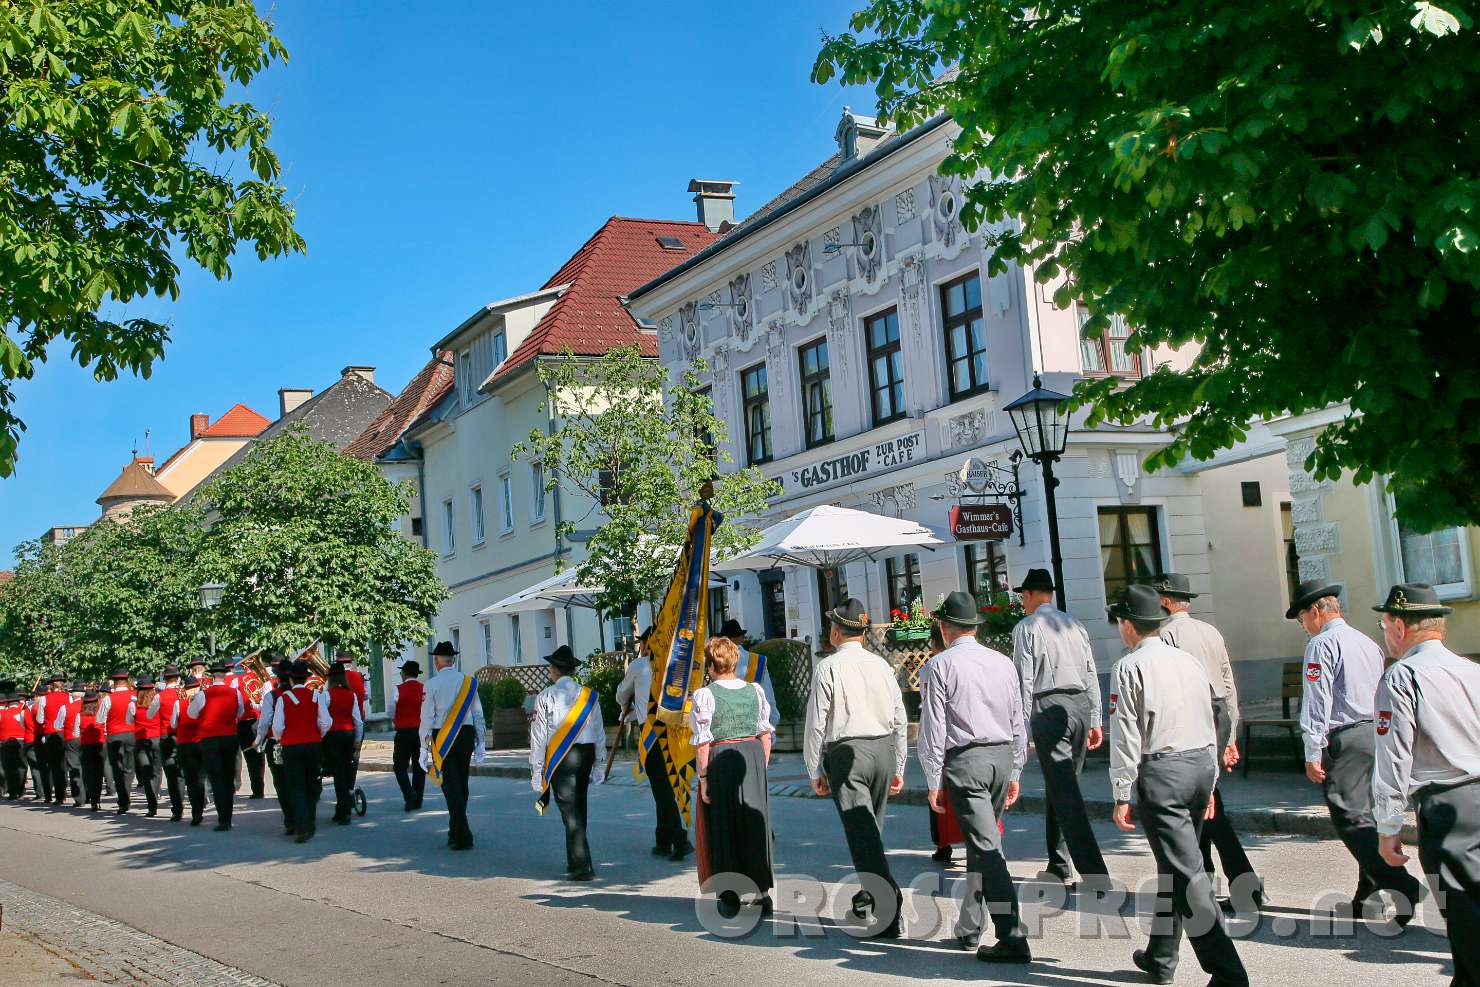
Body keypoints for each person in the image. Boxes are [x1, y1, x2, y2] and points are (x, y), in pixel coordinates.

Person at [1108, 585, 1248, 987]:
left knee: (1187, 872)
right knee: (1176, 864)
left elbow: (1126, 734)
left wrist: (1121, 790)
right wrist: (1212, 779)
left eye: (1120, 622)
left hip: (1163, 770)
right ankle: (1161, 956)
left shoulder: (1129, 666)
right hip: (1199, 765)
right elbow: (1212, 716)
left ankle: (1228, 972)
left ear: (1129, 625)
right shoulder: (1187, 661)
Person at [1287, 578, 1426, 919]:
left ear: (1317, 611)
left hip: (1346, 737)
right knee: (1368, 815)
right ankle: (1367, 893)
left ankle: (1400, 884)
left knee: (1349, 816)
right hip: (1374, 734)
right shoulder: (1367, 642)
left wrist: (1312, 749)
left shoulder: (1321, 645)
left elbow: (1318, 701)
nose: (1302, 626)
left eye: (1302, 618)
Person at [1372, 582, 1480, 983]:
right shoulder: (1472, 670)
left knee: (1466, 917)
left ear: (1399, 626)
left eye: (1383, 624)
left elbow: (1393, 757)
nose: (1384, 633)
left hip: (1448, 805)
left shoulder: (1401, 676)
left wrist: (1387, 827)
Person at [919, 591, 1031, 963]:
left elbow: (934, 728)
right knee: (983, 846)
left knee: (986, 848)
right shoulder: (1001, 662)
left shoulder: (939, 665)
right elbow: (1018, 719)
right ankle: (970, 926)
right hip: (1000, 755)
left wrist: (933, 778)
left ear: (944, 626)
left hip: (967, 760)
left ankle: (1012, 935)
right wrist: (1015, 768)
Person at [1155, 573, 1263, 909]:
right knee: (1201, 802)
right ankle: (1205, 881)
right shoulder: (1210, 632)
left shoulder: (1166, 634)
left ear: (1165, 601)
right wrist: (1230, 736)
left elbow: (1168, 689)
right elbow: (1229, 686)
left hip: (1190, 718)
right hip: (1217, 714)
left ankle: (1232, 885)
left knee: (1205, 805)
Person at [803, 598, 909, 938]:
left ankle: (888, 906)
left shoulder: (828, 667)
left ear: (836, 633)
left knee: (861, 833)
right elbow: (900, 717)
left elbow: (816, 723)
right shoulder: (881, 665)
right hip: (882, 749)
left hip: (848, 751)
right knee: (870, 830)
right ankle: (868, 895)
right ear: (862, 633)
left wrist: (813, 768)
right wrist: (900, 763)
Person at [1011, 568, 1108, 889]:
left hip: (1048, 706)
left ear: (1028, 595)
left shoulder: (1027, 627)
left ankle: (1094, 875)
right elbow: (1091, 671)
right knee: (1062, 784)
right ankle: (1059, 861)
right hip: (1079, 703)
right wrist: (1095, 718)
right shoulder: (1074, 624)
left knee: (1064, 790)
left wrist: (1021, 726)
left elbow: (1023, 679)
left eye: (1022, 597)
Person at [690, 636, 775, 916]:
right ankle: (762, 893)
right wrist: (759, 766)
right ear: (735, 662)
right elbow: (765, 733)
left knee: (723, 825)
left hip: (721, 758)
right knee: (754, 825)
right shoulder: (755, 690)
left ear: (711, 665)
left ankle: (730, 895)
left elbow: (703, 742)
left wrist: (704, 779)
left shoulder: (705, 695)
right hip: (751, 755)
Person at [615, 627, 693, 860]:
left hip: (651, 734)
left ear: (648, 644)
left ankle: (679, 840)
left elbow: (621, 694)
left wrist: (628, 704)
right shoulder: (675, 666)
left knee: (662, 789)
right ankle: (663, 839)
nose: (641, 646)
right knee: (666, 787)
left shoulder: (640, 666)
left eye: (643, 643)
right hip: (675, 732)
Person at [529, 645, 605, 880]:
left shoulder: (545, 697)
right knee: (578, 807)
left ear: (554, 670)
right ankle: (577, 861)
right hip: (585, 754)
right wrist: (600, 763)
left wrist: (536, 769)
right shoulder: (589, 695)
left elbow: (539, 737)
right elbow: (599, 731)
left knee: (570, 812)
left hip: (562, 757)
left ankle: (582, 865)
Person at [419, 640, 486, 850]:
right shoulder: (469, 682)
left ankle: (463, 834)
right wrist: (481, 741)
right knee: (462, 783)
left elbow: (426, 719)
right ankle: (454, 831)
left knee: (450, 786)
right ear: (453, 659)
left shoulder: (431, 685)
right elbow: (478, 714)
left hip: (443, 736)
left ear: (437, 661)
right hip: (465, 735)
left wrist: (423, 746)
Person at [271, 659, 332, 843]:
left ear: (290, 680)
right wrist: (317, 734)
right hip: (313, 745)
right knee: (312, 785)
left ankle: (301, 827)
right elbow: (326, 722)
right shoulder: (316, 696)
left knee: (296, 786)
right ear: (306, 679)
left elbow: (277, 727)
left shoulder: (283, 699)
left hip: (291, 746)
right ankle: (310, 823)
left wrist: (284, 738)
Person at [923, 623, 964, 866]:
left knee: (938, 791)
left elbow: (929, 707)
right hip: (965, 733)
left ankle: (943, 845)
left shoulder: (932, 667)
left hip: (943, 736)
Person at [189, 659, 245, 831]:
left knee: (216, 778)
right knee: (228, 778)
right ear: (225, 674)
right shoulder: (235, 692)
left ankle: (223, 820)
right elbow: (240, 712)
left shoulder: (204, 694)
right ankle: (227, 817)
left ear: (212, 675)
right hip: (229, 737)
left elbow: (191, 714)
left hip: (210, 739)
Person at [717, 619, 782, 731]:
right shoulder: (757, 661)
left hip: (725, 723)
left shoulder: (717, 661)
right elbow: (768, 693)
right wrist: (774, 718)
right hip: (753, 721)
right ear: (738, 638)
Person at [321, 663, 364, 825]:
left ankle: (344, 812)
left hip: (333, 735)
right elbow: (358, 721)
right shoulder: (351, 695)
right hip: (349, 734)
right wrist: (358, 740)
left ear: (330, 678)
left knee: (338, 774)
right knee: (346, 771)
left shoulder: (326, 695)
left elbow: (323, 721)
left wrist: (322, 737)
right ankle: (342, 808)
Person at [255, 658, 294, 832]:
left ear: (277, 678)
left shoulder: (272, 696)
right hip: (300, 741)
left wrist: (258, 739)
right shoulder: (304, 693)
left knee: (281, 782)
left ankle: (290, 818)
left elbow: (264, 722)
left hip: (277, 742)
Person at [96, 668, 137, 814]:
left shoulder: (108, 698)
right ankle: (126, 791)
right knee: (129, 768)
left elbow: (99, 719)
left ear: (114, 682)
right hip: (132, 734)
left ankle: (123, 801)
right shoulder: (134, 696)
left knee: (117, 769)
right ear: (127, 680)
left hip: (114, 736)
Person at [386, 660, 426, 811]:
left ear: (404, 673)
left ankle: (409, 795)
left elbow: (390, 711)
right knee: (419, 766)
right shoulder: (424, 689)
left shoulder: (398, 690)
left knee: (399, 766)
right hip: (421, 731)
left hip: (403, 732)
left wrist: (397, 718)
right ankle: (418, 799)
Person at [149, 665, 186, 821]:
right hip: (185, 735)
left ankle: (177, 809)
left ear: (164, 679)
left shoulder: (160, 696)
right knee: (187, 771)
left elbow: (150, 714)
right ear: (178, 678)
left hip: (166, 736)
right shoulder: (185, 693)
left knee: (172, 774)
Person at [225, 661, 265, 800]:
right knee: (260, 756)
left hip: (245, 722)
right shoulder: (260, 679)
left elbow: (235, 702)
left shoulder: (236, 681)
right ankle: (260, 787)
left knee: (250, 757)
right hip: (260, 720)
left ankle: (257, 789)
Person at [172, 675, 207, 826]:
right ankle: (202, 803)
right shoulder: (205, 701)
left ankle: (196, 812)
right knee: (201, 777)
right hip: (201, 743)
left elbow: (173, 725)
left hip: (185, 745)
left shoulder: (179, 703)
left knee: (191, 780)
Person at [131, 676, 163, 817]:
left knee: (146, 773)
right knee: (156, 771)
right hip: (156, 738)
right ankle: (155, 796)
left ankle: (152, 803)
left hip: (141, 740)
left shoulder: (133, 705)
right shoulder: (157, 702)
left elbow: (128, 720)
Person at [70, 688, 106, 810]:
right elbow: (105, 729)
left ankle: (91, 798)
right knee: (98, 774)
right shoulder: (100, 714)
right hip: (100, 745)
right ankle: (97, 800)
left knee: (88, 773)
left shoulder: (79, 715)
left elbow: (75, 733)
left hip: (85, 746)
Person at [36, 674, 70, 804]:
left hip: (50, 733)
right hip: (65, 732)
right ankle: (64, 791)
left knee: (54, 765)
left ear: (51, 685)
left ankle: (59, 796)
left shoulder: (45, 699)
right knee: (64, 764)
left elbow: (39, 719)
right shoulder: (69, 697)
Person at [1, 692, 31, 798]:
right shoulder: (23, 712)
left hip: (6, 742)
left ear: (8, 703)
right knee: (22, 766)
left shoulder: (3, 713)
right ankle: (21, 789)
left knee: (9, 768)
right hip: (22, 741)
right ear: (18, 702)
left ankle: (12, 792)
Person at [28, 682, 51, 801]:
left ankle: (43, 792)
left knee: (41, 766)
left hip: (39, 735)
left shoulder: (33, 707)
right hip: (50, 735)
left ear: (37, 696)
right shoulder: (50, 703)